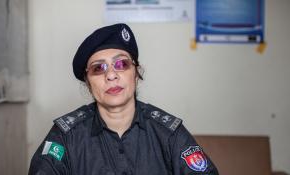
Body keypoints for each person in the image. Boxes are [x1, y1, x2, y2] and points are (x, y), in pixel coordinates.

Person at [29, 23, 219, 175]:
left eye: (121, 64)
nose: (111, 75)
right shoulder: (65, 136)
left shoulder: (169, 134)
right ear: (88, 83)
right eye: (98, 68)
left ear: (136, 73)